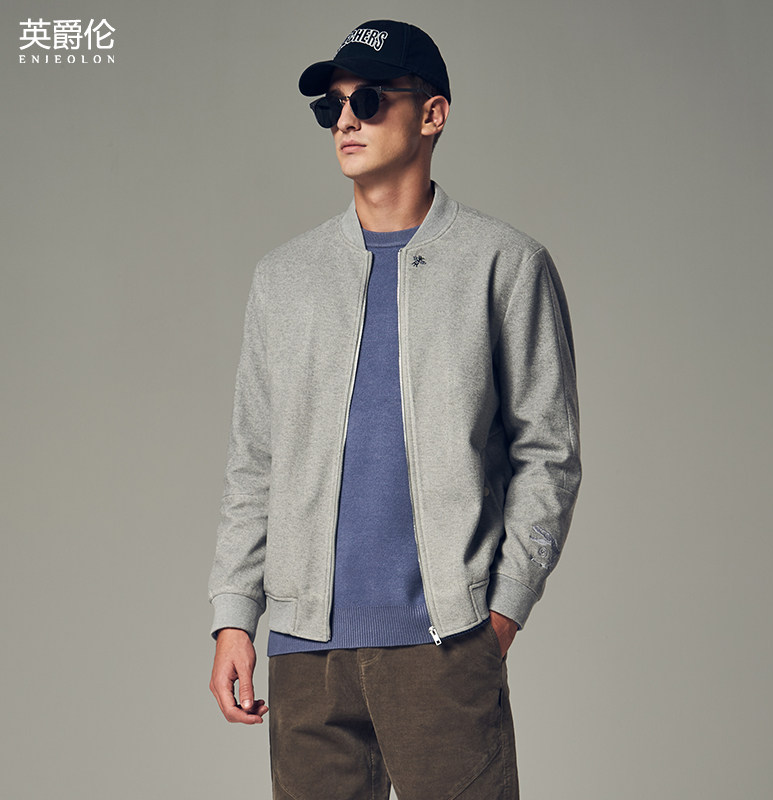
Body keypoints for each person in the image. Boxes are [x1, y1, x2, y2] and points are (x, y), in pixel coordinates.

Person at [208, 19, 581, 800]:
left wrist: (500, 613)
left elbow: (547, 453)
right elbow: (256, 461)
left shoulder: (505, 265)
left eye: (370, 100)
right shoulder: (284, 279)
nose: (346, 120)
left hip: (444, 644)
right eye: (332, 106)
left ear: (433, 113)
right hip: (305, 653)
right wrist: (235, 614)